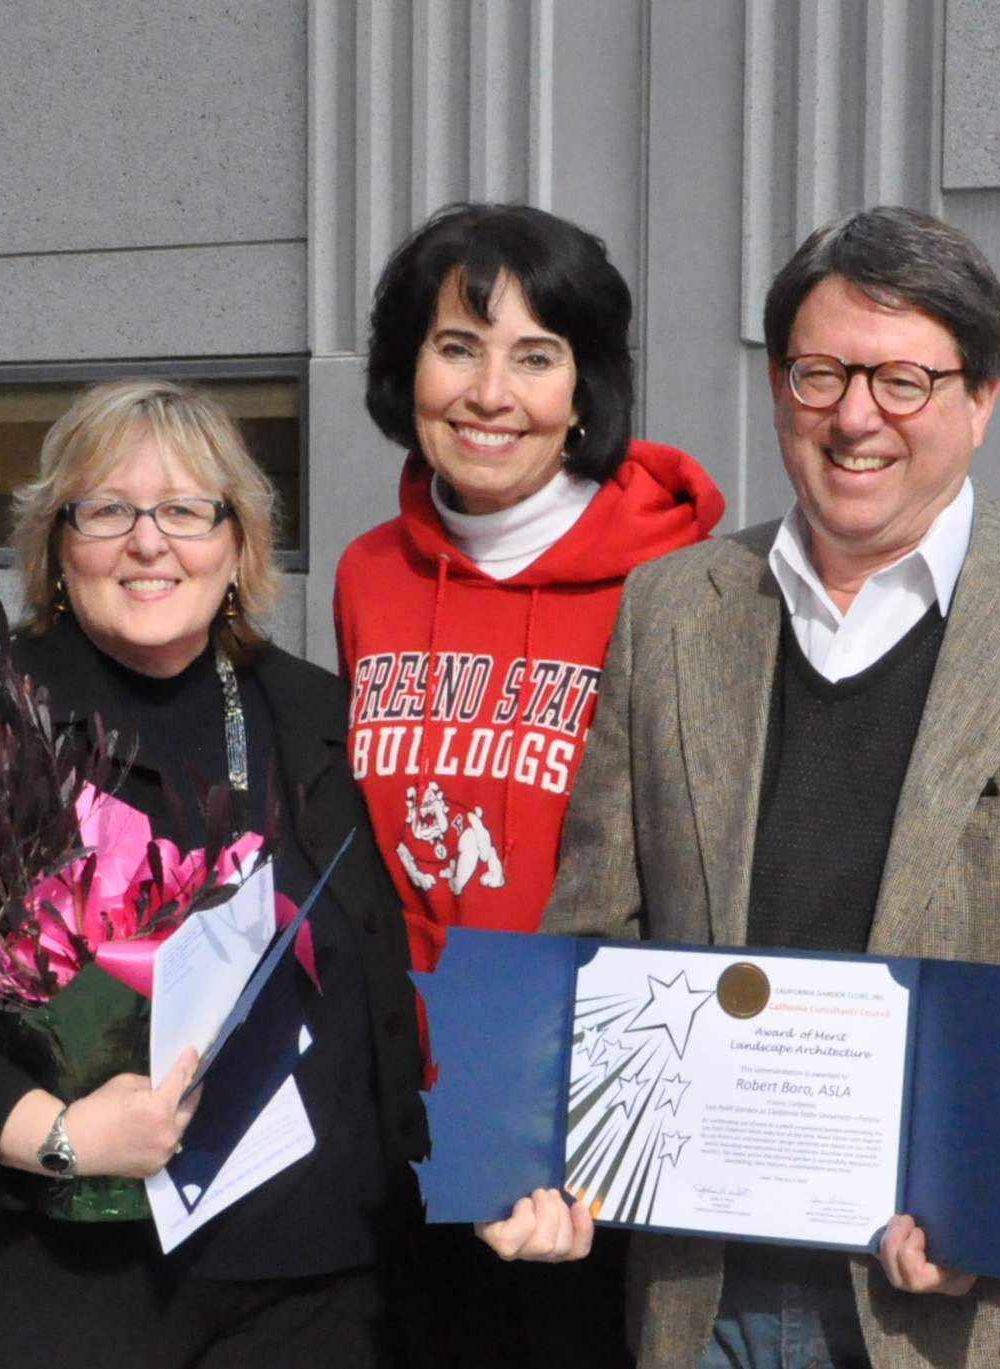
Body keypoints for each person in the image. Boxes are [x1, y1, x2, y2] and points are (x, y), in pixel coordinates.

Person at [483, 205, 1000, 1369]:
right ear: (780, 387)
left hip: (942, 1296)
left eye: (904, 380)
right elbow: (595, 920)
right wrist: (536, 1153)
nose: (856, 416)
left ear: (982, 398)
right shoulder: (672, 607)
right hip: (696, 1282)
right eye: (820, 374)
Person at [0, 379, 429, 1369]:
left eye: (186, 510)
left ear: (237, 542)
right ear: (58, 546)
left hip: (307, 1294)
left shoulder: (322, 717)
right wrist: (59, 1135)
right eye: (108, 510)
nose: (149, 542)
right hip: (50, 1301)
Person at [336, 203, 722, 1368]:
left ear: (586, 389)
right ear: (406, 370)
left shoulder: (678, 586)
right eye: (457, 347)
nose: (490, 393)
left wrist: (590, 1135)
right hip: (396, 1120)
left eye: (536, 356)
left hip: (586, 1150)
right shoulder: (367, 575)